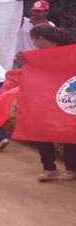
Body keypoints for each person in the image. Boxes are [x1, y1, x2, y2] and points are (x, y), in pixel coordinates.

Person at [26, 24, 76, 182]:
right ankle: (49, 168)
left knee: (70, 131)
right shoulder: (40, 55)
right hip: (47, 98)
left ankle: (71, 168)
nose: (33, 44)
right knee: (41, 130)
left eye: (34, 40)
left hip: (67, 96)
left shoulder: (70, 51)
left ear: (41, 38)